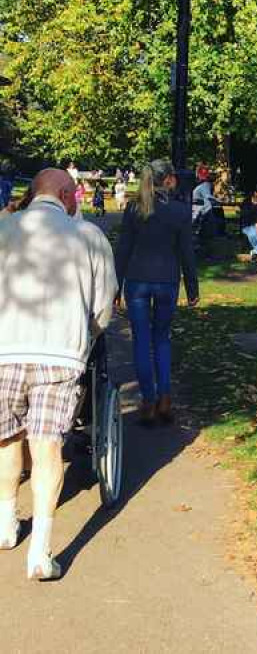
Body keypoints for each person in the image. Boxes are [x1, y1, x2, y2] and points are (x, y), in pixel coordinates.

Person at [0, 168, 116, 580]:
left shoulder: (5, 228)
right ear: (66, 195)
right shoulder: (88, 237)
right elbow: (104, 307)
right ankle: (40, 552)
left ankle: (6, 522)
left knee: (7, 440)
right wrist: (86, 334)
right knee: (48, 447)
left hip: (6, 349)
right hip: (61, 354)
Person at [115, 159, 199, 426]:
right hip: (167, 280)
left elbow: (124, 250)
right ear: (170, 180)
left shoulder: (134, 208)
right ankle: (165, 397)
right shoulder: (180, 211)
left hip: (137, 280)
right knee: (162, 338)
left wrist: (115, 286)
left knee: (141, 340)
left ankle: (148, 400)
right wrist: (193, 288)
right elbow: (187, 252)